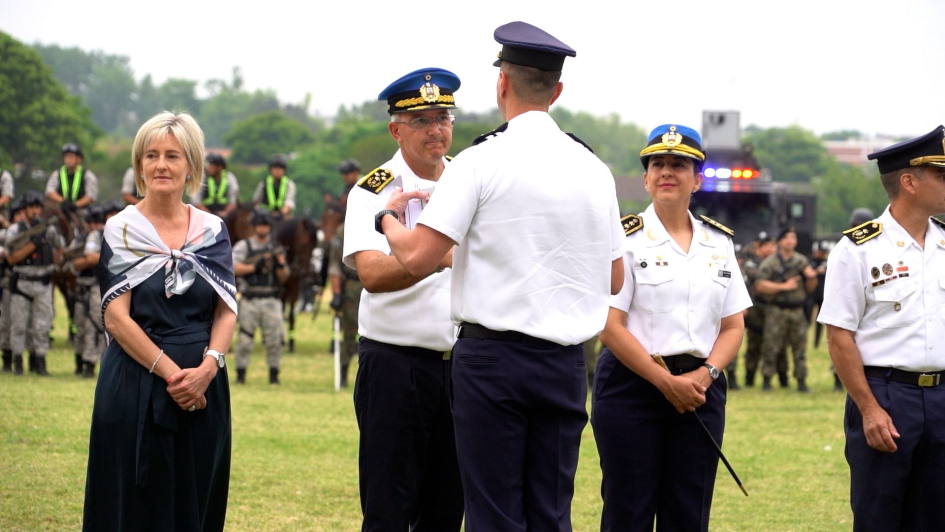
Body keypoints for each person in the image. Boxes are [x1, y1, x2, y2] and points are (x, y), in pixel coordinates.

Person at [378, 25, 625, 530]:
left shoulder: (478, 161)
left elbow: (419, 258)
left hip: (493, 361)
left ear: (502, 84)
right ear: (556, 91)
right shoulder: (594, 169)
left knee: (494, 514)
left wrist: (385, 220)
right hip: (564, 362)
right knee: (550, 513)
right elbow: (615, 277)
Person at [83, 111, 238, 532]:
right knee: (132, 506)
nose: (161, 165)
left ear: (191, 165)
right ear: (139, 166)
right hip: (135, 385)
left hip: (204, 388)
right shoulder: (121, 230)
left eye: (172, 155)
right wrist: (175, 377)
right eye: (151, 155)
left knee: (197, 501)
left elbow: (226, 308)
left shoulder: (213, 230)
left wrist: (207, 370)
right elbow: (116, 318)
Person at [592, 125, 751, 532]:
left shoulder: (719, 242)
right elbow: (610, 326)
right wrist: (665, 382)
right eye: (657, 164)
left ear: (697, 180)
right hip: (632, 387)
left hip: (699, 390)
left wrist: (706, 374)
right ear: (646, 179)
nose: (666, 172)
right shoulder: (624, 239)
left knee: (688, 514)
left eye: (679, 165)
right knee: (628, 513)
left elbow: (733, 325)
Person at [343, 67, 463, 531]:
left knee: (448, 505)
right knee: (388, 506)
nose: (436, 130)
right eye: (422, 121)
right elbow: (372, 274)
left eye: (443, 118)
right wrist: (441, 257)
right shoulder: (374, 190)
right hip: (396, 365)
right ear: (396, 129)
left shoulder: (469, 182)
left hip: (462, 365)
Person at [818, 125, 945, 532]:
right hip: (886, 395)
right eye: (941, 174)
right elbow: (838, 336)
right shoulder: (857, 249)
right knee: (879, 516)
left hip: (941, 396)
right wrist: (869, 409)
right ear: (909, 182)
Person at [4, 190, 65, 376]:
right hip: (22, 282)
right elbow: (11, 258)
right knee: (19, 325)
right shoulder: (15, 230)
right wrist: (34, 244)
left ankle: (40, 361)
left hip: (43, 283)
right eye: (31, 207)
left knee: (42, 325)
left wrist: (53, 264)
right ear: (25, 209)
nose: (35, 211)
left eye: (38, 207)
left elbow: (60, 247)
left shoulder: (47, 229)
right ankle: (17, 361)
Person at [756, 226, 818, 392]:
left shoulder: (801, 261)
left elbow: (810, 288)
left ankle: (801, 381)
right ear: (779, 241)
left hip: (797, 310)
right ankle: (767, 380)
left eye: (793, 237)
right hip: (776, 309)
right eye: (786, 237)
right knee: (771, 346)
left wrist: (811, 278)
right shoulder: (770, 262)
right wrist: (784, 287)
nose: (790, 241)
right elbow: (760, 285)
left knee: (800, 347)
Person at [232, 209, 287, 385]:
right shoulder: (244, 247)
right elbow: (233, 268)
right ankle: (241, 373)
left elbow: (284, 277)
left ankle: (274, 374)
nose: (263, 229)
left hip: (271, 298)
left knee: (274, 339)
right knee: (245, 339)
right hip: (250, 298)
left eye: (265, 225)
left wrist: (280, 266)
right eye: (260, 225)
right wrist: (255, 267)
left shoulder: (276, 248)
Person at [72, 205, 107, 378]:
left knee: (98, 327)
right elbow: (74, 263)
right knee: (82, 328)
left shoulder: (108, 236)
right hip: (84, 288)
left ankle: (93, 362)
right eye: (93, 222)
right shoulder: (81, 239)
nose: (97, 226)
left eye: (99, 222)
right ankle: (81, 362)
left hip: (100, 288)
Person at [740, 231, 778, 387]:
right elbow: (756, 278)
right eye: (765, 245)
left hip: (773, 309)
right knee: (753, 344)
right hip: (755, 309)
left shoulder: (778, 262)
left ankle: (771, 379)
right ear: (758, 247)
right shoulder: (752, 263)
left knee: (772, 345)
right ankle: (749, 377)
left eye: (772, 245)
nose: (769, 248)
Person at [0, 196, 27, 373]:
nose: (21, 217)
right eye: (17, 214)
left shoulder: (29, 233)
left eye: (23, 213)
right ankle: (7, 358)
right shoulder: (6, 234)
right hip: (6, 284)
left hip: (21, 284)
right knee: (5, 322)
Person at [45, 143, 98, 213]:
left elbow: (91, 196)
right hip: (61, 210)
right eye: (66, 156)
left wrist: (75, 205)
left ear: (79, 159)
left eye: (71, 157)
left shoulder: (87, 175)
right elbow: (49, 191)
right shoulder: (57, 174)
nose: (68, 159)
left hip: (81, 211)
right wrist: (63, 201)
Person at [193, 153, 239, 217]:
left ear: (220, 167)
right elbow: (196, 199)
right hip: (204, 213)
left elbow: (233, 200)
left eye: (211, 165)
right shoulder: (203, 177)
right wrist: (208, 213)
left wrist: (225, 212)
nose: (208, 168)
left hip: (223, 213)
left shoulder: (229, 178)